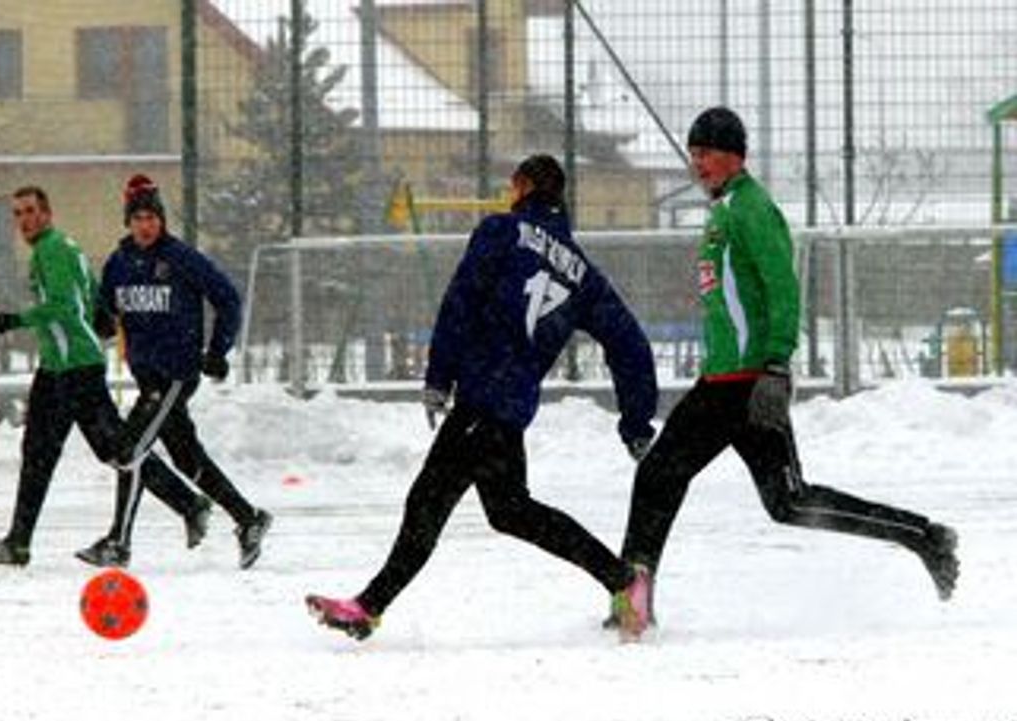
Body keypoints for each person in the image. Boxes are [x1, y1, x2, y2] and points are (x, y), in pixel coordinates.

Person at [614, 107, 960, 634]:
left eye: (706, 153)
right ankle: (924, 537)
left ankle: (633, 604)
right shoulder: (726, 208)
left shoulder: (752, 209)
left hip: (745, 383)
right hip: (727, 378)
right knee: (788, 501)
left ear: (734, 155)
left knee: (662, 475)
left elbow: (782, 287)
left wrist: (775, 364)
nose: (697, 164)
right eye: (693, 154)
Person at [305, 154, 660, 641]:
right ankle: (622, 579)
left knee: (428, 502)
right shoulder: (584, 275)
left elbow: (461, 300)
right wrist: (637, 421)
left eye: (512, 186)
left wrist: (439, 374)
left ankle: (367, 607)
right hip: (510, 405)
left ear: (524, 187)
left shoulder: (501, 231)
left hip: (483, 394)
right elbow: (631, 345)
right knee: (511, 510)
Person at [0, 186, 211, 567]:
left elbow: (64, 306)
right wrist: (101, 312)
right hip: (56, 368)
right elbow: (89, 291)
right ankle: (18, 542)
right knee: (38, 453)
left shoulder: (54, 249)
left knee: (115, 449)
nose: (24, 219)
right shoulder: (59, 248)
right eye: (17, 213)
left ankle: (190, 503)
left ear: (47, 214)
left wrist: (18, 319)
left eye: (31, 211)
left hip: (76, 368)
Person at [75, 175, 273, 569]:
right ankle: (248, 519)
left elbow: (228, 299)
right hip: (147, 375)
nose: (145, 225)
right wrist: (102, 319)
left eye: (152, 217)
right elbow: (107, 307)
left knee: (127, 451)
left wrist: (217, 350)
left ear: (161, 220)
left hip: (175, 374)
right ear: (128, 222)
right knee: (185, 458)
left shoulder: (181, 258)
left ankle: (118, 542)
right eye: (138, 218)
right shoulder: (120, 262)